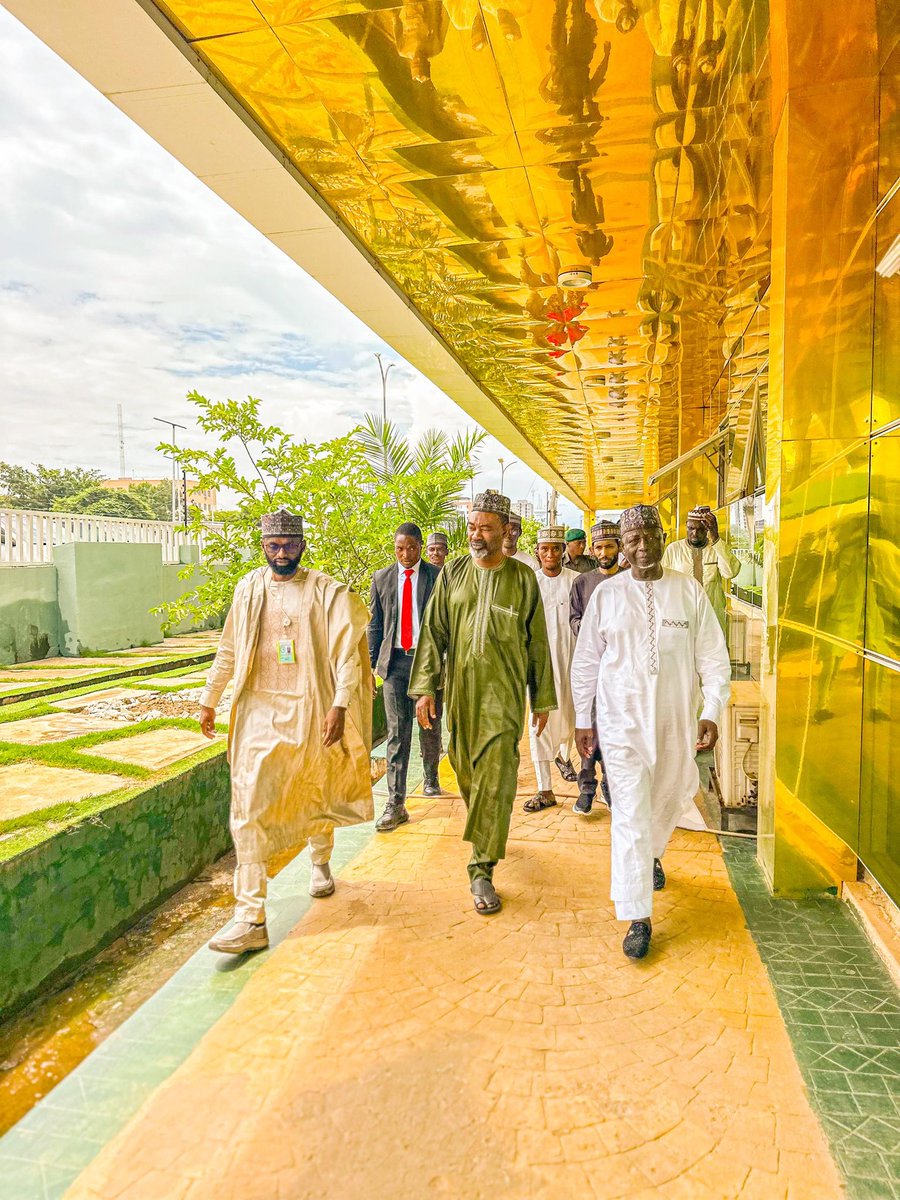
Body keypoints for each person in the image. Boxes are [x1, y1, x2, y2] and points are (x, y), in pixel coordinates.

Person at [199, 507, 373, 955]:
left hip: (310, 706)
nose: (282, 554)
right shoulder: (248, 589)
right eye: (274, 546)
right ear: (263, 547)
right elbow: (228, 649)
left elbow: (347, 658)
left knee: (314, 788)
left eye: (289, 545)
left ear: (302, 545)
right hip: (258, 708)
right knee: (248, 803)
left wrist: (339, 704)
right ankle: (250, 916)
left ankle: (319, 862)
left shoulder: (325, 592)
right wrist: (209, 698)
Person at [571, 504, 731, 960]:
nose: (642, 547)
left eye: (650, 536)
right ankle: (638, 915)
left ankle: (652, 854)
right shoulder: (607, 595)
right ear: (622, 546)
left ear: (664, 537)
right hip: (621, 726)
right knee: (629, 815)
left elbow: (713, 660)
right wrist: (585, 717)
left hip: (675, 726)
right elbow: (587, 663)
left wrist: (712, 710)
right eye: (633, 539)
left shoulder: (689, 592)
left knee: (667, 797)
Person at [410, 489, 556, 915]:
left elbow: (538, 645)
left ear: (505, 531)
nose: (476, 535)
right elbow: (434, 632)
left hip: (504, 694)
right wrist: (424, 688)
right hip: (461, 692)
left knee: (497, 772)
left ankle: (481, 868)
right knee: (464, 767)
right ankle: (486, 832)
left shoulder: (522, 578)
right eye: (472, 527)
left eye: (485, 528)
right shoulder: (453, 573)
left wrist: (542, 697)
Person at [369, 523, 442, 825]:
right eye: (400, 548)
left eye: (412, 548)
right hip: (395, 665)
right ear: (394, 548)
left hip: (426, 663)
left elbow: (442, 624)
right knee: (398, 734)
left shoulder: (436, 577)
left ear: (421, 546)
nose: (406, 554)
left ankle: (431, 776)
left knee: (430, 726)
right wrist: (373, 666)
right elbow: (375, 625)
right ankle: (395, 803)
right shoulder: (382, 578)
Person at [569, 519, 628, 814]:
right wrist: (595, 632)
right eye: (599, 547)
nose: (604, 551)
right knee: (590, 729)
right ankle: (587, 788)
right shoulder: (582, 583)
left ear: (619, 547)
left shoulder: (632, 580)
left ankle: (611, 785)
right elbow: (574, 619)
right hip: (594, 668)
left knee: (618, 731)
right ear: (592, 550)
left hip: (624, 672)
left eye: (609, 546)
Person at [524, 526, 578, 812]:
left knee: (575, 719)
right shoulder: (529, 582)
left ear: (563, 551)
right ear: (538, 552)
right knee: (540, 725)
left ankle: (582, 775)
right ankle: (544, 788)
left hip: (574, 662)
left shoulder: (578, 581)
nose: (550, 554)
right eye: (544, 549)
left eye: (555, 548)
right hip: (541, 665)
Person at [662, 504, 741, 632]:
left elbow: (731, 572)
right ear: (686, 526)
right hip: (682, 618)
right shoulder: (674, 549)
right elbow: (664, 583)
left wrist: (715, 537)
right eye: (691, 528)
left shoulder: (717, 548)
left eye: (700, 529)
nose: (694, 533)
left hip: (711, 618)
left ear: (707, 530)